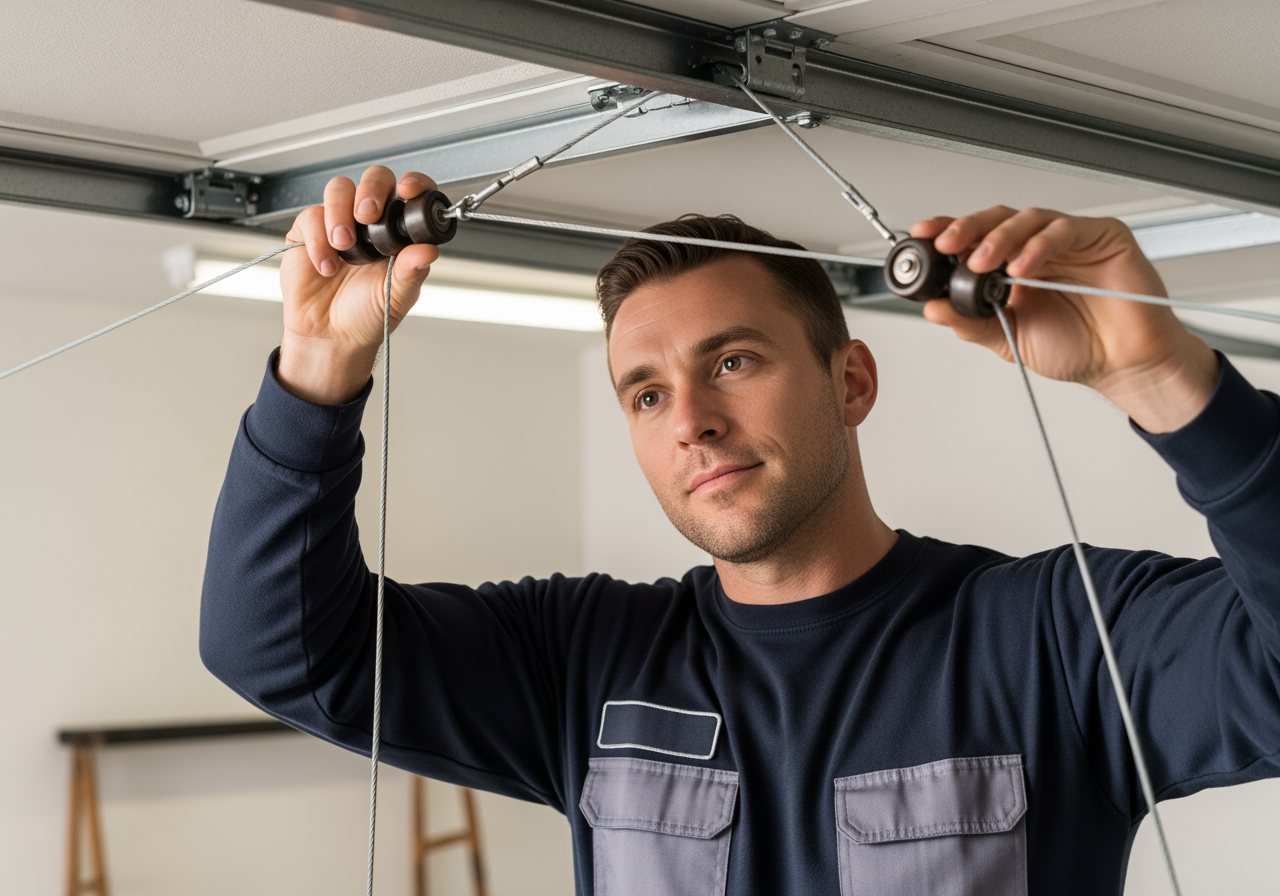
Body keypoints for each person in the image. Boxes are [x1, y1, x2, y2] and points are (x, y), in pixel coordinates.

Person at [200, 165, 1280, 896]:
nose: (692, 420)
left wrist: (1163, 377)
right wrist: (317, 367)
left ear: (850, 381)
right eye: (646, 393)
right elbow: (278, 647)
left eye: (731, 361)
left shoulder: (1055, 638)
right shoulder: (582, 658)